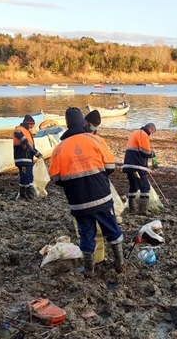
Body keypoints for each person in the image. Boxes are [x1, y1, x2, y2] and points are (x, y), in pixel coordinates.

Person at [48, 107, 125, 275]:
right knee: (112, 230)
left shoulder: (59, 149)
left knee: (86, 233)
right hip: (101, 198)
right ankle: (120, 264)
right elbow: (110, 167)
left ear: (67, 125)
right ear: (83, 122)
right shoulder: (96, 140)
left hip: (78, 203)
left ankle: (89, 269)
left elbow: (57, 179)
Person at [122, 123, 157, 215]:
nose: (151, 134)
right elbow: (145, 152)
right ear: (150, 129)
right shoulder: (143, 134)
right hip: (137, 166)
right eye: (153, 132)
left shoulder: (135, 133)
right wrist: (152, 153)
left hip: (128, 165)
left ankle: (132, 208)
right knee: (145, 187)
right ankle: (142, 210)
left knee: (133, 186)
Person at [13, 115, 42, 200]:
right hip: (23, 159)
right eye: (31, 126)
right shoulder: (20, 129)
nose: (32, 127)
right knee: (28, 175)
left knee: (23, 175)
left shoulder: (25, 131)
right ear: (28, 124)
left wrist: (36, 152)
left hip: (22, 159)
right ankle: (30, 194)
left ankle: (23, 193)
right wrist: (36, 152)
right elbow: (25, 142)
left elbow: (28, 145)